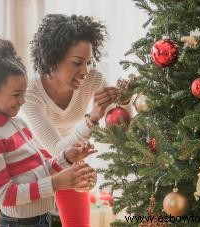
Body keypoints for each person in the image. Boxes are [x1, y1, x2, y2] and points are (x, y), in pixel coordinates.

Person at [0, 38, 97, 227]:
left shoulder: (17, 122)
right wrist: (56, 183)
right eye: (16, 95)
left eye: (24, 93)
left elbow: (37, 171)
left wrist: (66, 157)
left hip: (41, 217)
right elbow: (5, 195)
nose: (23, 100)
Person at [22, 14, 124, 227]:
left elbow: (118, 125)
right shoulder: (30, 92)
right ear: (53, 59)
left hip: (72, 154)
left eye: (87, 62)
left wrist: (125, 100)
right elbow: (57, 149)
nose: (85, 71)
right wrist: (92, 118)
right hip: (33, 160)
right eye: (77, 63)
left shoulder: (93, 79)